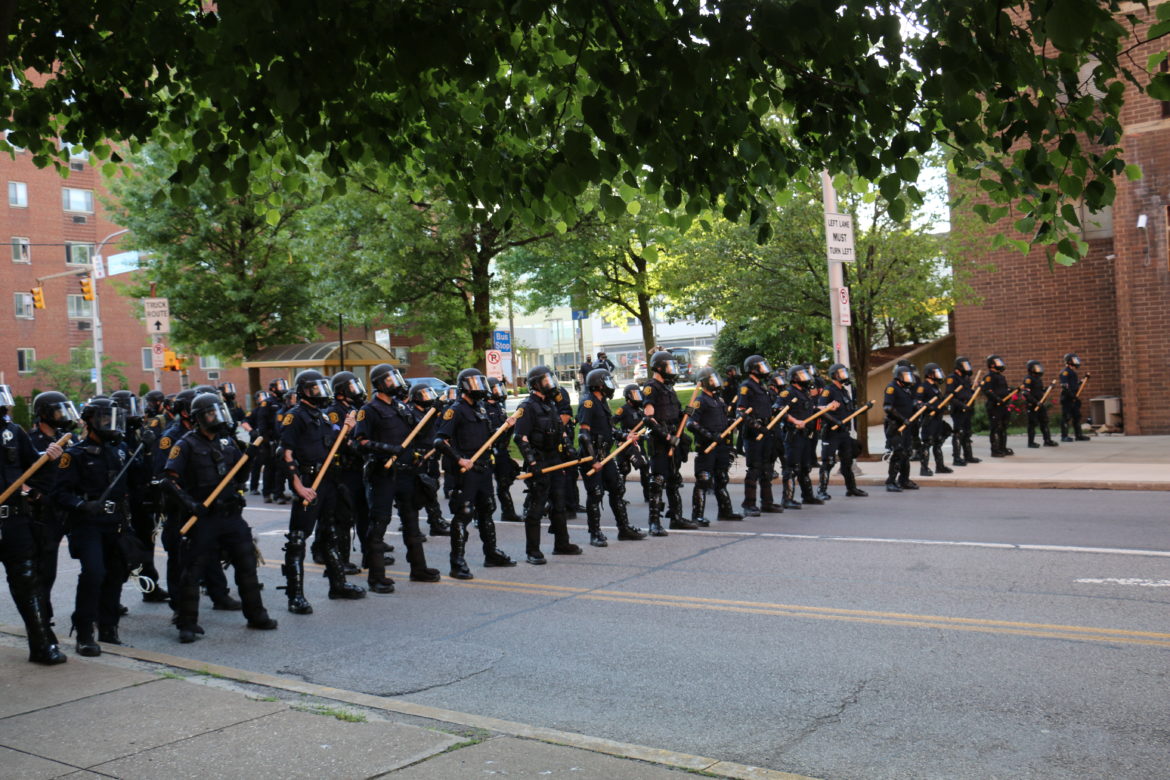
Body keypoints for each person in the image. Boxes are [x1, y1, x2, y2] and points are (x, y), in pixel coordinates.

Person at [162, 393, 278, 642]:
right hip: (203, 519)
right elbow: (169, 481)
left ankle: (256, 615)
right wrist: (191, 504)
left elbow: (239, 475)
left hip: (230, 516)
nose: (216, 417)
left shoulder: (226, 442)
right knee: (192, 571)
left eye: (218, 412)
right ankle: (187, 624)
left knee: (247, 565)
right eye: (210, 413)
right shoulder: (185, 445)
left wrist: (250, 454)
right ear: (198, 418)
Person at [279, 369, 365, 613]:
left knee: (330, 534)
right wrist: (298, 486)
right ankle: (295, 596)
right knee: (297, 539)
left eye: (321, 387)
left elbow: (336, 441)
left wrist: (348, 428)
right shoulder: (295, 417)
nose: (319, 392)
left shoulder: (324, 417)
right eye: (314, 388)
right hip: (308, 481)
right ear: (303, 391)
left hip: (328, 480)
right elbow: (285, 453)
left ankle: (337, 584)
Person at [55, 397, 132, 656]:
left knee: (115, 573)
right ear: (89, 422)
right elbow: (60, 493)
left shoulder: (120, 451)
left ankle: (109, 627)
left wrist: (144, 447)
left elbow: (140, 480)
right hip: (87, 524)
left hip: (114, 522)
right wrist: (81, 505)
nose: (110, 425)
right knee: (94, 573)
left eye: (113, 419)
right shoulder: (74, 455)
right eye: (104, 419)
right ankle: (85, 631)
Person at [356, 364, 439, 592]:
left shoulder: (401, 407)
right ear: (380, 384)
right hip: (383, 472)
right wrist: (387, 448)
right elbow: (360, 442)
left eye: (396, 378)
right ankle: (376, 577)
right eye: (390, 379)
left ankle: (418, 568)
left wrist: (434, 413)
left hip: (405, 473)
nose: (396, 382)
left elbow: (419, 433)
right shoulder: (369, 410)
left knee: (411, 520)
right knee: (379, 522)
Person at [1, 385, 67, 664]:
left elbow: (35, 471)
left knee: (28, 580)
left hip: (14, 517)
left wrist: (49, 461)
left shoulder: (14, 432)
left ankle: (41, 646)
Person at [434, 368, 517, 578]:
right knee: (464, 514)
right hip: (466, 469)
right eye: (474, 383)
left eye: (481, 383)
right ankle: (457, 562)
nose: (479, 388)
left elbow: (492, 438)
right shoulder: (455, 410)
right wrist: (459, 459)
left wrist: (506, 428)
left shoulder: (480, 410)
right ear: (464, 386)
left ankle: (491, 553)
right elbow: (439, 441)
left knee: (487, 509)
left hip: (483, 467)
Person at [513, 366, 581, 562]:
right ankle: (532, 551)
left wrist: (568, 448)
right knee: (536, 508)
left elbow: (562, 431)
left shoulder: (551, 405)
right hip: (539, 462)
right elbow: (521, 437)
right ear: (535, 385)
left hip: (554, 461)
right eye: (546, 381)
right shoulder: (526, 407)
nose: (550, 384)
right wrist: (533, 463)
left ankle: (562, 544)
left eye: (551, 380)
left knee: (559, 505)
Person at [28, 392, 82, 622]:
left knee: (93, 559)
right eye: (57, 410)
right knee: (45, 566)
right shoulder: (30, 441)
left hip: (70, 506)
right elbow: (17, 475)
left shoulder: (69, 438)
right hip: (44, 509)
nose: (62, 415)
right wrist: (34, 495)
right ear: (44, 414)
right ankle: (42, 613)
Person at [578, 368, 646, 544]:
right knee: (596, 494)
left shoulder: (602, 403)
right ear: (599, 385)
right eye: (607, 382)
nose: (610, 386)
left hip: (606, 455)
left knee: (617, 489)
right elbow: (583, 435)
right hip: (592, 457)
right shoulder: (588, 403)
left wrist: (625, 436)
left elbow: (609, 429)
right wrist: (593, 460)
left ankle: (624, 529)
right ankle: (595, 534)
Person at [640, 351, 698, 535]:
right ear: (658, 368)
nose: (671, 370)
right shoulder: (651, 387)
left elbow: (674, 414)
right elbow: (649, 419)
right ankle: (654, 523)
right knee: (658, 480)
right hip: (660, 440)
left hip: (674, 437)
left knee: (674, 479)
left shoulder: (668, 388)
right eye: (668, 366)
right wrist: (666, 437)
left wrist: (686, 413)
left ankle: (676, 517)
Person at [320, 372, 369, 574]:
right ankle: (342, 559)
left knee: (363, 512)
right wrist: (354, 443)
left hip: (357, 468)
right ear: (341, 391)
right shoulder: (334, 412)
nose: (356, 391)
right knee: (344, 517)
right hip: (344, 470)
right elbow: (337, 440)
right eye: (351, 387)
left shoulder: (353, 409)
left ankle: (370, 554)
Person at [688, 367, 743, 524]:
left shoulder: (719, 400)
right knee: (704, 479)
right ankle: (697, 515)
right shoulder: (699, 401)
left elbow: (722, 420)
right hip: (707, 446)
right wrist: (709, 435)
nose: (716, 382)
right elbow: (690, 423)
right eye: (712, 380)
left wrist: (733, 422)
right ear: (704, 383)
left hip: (721, 446)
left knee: (722, 478)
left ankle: (725, 512)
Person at [781, 365, 836, 505]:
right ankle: (787, 499)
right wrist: (794, 421)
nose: (805, 379)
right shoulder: (788, 393)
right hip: (793, 434)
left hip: (806, 434)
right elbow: (779, 410)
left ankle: (808, 496)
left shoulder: (805, 392)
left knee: (805, 467)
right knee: (793, 467)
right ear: (794, 378)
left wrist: (824, 407)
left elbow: (809, 408)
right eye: (802, 376)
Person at [736, 355, 780, 516]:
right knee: (754, 468)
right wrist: (756, 425)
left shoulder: (762, 386)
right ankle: (749, 504)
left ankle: (767, 502)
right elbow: (741, 412)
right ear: (753, 369)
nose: (764, 370)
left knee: (767, 468)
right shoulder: (746, 386)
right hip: (754, 434)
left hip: (766, 431)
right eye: (761, 367)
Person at [816, 364, 867, 500]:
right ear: (834, 375)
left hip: (844, 432)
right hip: (831, 433)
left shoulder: (844, 391)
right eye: (841, 373)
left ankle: (851, 489)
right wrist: (833, 419)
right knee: (828, 462)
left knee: (847, 461)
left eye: (845, 372)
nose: (845, 375)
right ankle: (821, 491)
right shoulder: (828, 390)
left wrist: (861, 410)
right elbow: (820, 408)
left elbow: (848, 411)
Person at [485, 378, 522, 523]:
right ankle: (479, 516)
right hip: (487, 451)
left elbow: (506, 431)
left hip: (501, 450)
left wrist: (511, 425)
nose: (499, 391)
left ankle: (508, 512)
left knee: (505, 481)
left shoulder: (499, 406)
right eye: (496, 389)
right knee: (483, 486)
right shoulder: (482, 407)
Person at [883, 364, 920, 492]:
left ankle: (904, 480)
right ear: (899, 377)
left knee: (906, 452)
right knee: (898, 452)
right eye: (906, 376)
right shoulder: (891, 388)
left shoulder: (906, 389)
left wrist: (916, 406)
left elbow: (908, 404)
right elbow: (888, 407)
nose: (908, 379)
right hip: (895, 426)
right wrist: (902, 419)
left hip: (906, 426)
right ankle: (891, 482)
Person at [613, 384, 651, 503]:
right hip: (625, 444)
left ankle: (648, 495)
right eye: (635, 395)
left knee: (645, 467)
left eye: (638, 394)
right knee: (623, 470)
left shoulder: (640, 411)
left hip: (638, 445)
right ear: (628, 397)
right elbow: (611, 423)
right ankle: (619, 497)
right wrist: (623, 434)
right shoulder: (623, 409)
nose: (638, 397)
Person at [258, 378, 291, 504]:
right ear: (273, 389)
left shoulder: (284, 401)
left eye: (284, 385)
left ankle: (279, 492)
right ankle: (267, 493)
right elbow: (262, 424)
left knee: (281, 468)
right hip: (270, 440)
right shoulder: (267, 403)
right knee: (270, 467)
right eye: (280, 386)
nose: (283, 388)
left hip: (280, 438)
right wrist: (267, 440)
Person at [919, 363, 953, 475]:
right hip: (929, 419)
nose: (939, 375)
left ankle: (940, 466)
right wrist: (928, 406)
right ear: (929, 374)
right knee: (927, 443)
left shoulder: (935, 387)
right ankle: (924, 468)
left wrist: (944, 406)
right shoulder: (923, 387)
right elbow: (918, 403)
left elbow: (940, 401)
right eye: (936, 373)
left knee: (938, 442)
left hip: (938, 419)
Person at [945, 357, 981, 466]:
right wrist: (962, 405)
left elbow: (968, 391)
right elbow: (949, 396)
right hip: (958, 409)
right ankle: (956, 458)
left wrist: (974, 390)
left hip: (967, 408)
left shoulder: (966, 378)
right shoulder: (952, 378)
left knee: (967, 432)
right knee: (958, 432)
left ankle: (968, 456)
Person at [982, 355, 1014, 457]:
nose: (1000, 364)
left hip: (1003, 405)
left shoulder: (1001, 376)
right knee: (995, 427)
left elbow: (1004, 389)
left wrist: (1009, 392)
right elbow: (987, 390)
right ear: (992, 365)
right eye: (997, 362)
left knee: (1003, 427)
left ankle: (1002, 448)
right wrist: (997, 399)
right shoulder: (989, 377)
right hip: (994, 406)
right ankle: (995, 450)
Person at [1023, 360, 1059, 448]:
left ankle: (1047, 440)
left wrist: (1049, 388)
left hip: (1040, 404)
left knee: (1044, 422)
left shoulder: (1038, 379)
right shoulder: (1028, 379)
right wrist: (1035, 402)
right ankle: (1031, 442)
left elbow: (1041, 390)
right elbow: (1026, 393)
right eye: (1036, 368)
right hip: (1033, 405)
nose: (1038, 369)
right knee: (1032, 424)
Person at [1059, 353, 1091, 442]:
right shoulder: (1065, 372)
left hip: (1074, 398)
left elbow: (1075, 386)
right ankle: (1064, 436)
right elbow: (1065, 387)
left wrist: (1084, 379)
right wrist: (1071, 396)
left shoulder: (1073, 372)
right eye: (1075, 360)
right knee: (1066, 417)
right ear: (1069, 361)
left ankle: (1079, 435)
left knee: (1077, 416)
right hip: (1067, 398)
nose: (1077, 362)